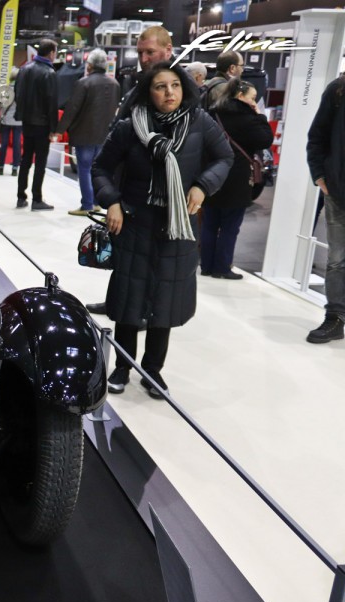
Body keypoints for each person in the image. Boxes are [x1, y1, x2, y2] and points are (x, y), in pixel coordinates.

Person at [92, 62, 233, 398]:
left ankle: (153, 370)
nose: (169, 93)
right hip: (135, 222)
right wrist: (110, 200)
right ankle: (123, 366)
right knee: (130, 298)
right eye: (160, 86)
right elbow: (100, 167)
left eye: (175, 85)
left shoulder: (199, 122)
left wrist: (202, 186)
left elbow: (224, 157)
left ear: (184, 88)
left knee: (165, 301)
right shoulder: (130, 127)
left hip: (178, 225)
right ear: (148, 91)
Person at [86, 25, 174, 316]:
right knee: (124, 253)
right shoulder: (138, 87)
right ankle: (117, 302)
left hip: (159, 192)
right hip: (128, 186)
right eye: (141, 53)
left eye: (151, 52)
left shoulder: (176, 90)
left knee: (152, 260)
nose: (145, 58)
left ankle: (145, 311)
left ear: (168, 51)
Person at [201, 78, 273, 279]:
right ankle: (222, 267)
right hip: (238, 177)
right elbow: (266, 139)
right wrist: (260, 116)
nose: (254, 102)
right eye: (252, 98)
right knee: (230, 225)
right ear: (240, 96)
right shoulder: (248, 117)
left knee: (209, 223)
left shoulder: (212, 113)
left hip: (211, 174)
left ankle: (206, 265)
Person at [304, 74, 345, 343]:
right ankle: (336, 317)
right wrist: (321, 175)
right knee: (338, 260)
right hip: (339, 193)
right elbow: (316, 137)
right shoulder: (338, 90)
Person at [56, 48, 121, 217]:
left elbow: (72, 109)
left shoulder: (83, 83)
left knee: (84, 169)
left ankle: (87, 204)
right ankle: (97, 202)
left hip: (84, 134)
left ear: (90, 65)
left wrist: (59, 130)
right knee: (99, 170)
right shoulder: (115, 84)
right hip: (105, 135)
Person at [14, 39, 58, 211]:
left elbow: (17, 93)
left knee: (26, 159)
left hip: (27, 122)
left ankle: (20, 197)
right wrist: (53, 128)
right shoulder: (49, 72)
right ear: (51, 53)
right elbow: (51, 102)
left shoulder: (24, 69)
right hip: (43, 123)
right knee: (40, 162)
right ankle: (37, 199)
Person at [0, 66, 22, 177]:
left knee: (4, 144)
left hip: (6, 119)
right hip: (18, 121)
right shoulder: (23, 90)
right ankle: (15, 168)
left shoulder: (5, 89)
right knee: (17, 145)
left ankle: (1, 167)